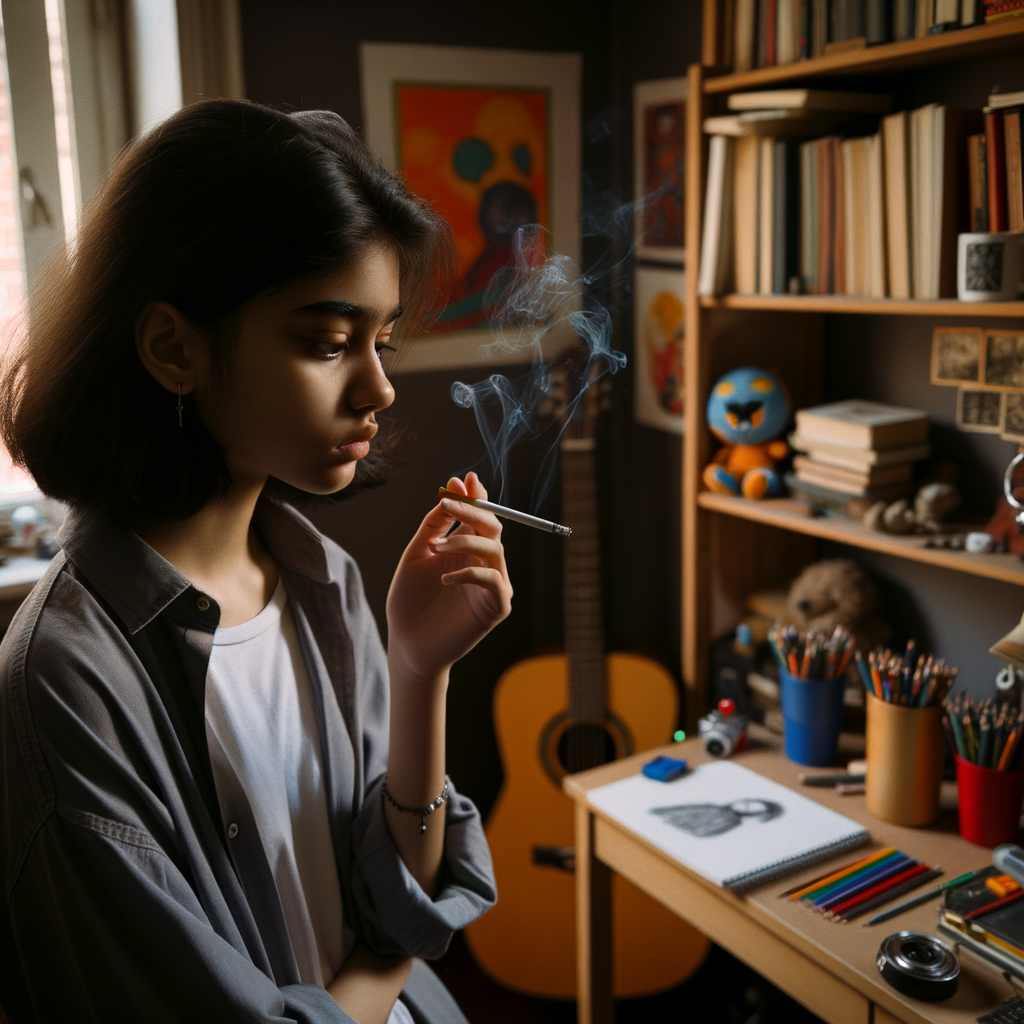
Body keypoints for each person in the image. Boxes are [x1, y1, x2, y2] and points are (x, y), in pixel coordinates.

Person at [0, 99, 510, 1024]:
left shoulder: (322, 582)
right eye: (327, 342)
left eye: (383, 340)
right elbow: (392, 927)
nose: (380, 387)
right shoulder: (62, 685)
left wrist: (418, 669)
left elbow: (401, 887)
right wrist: (389, 949)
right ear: (172, 348)